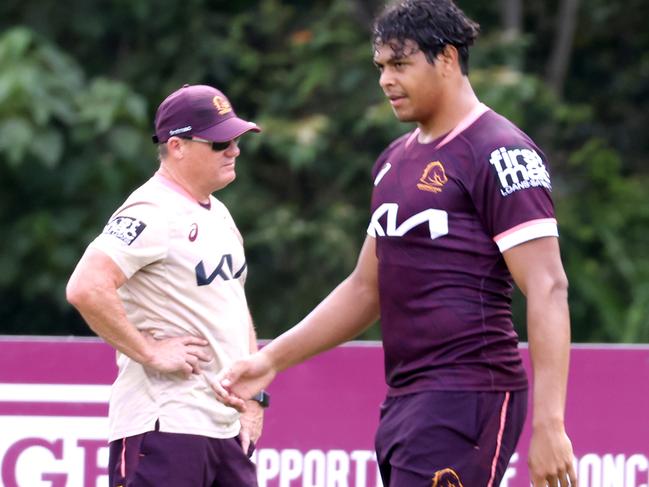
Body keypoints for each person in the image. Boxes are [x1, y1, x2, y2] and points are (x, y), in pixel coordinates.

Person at [213, 1, 577, 486]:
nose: (386, 80)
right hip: (407, 401)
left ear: (446, 58)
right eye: (381, 66)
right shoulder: (392, 161)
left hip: (469, 396)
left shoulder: (500, 151)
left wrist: (550, 425)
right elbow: (367, 288)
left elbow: (549, 286)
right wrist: (269, 359)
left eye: (400, 64)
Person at [66, 83, 268, 486]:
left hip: (223, 428)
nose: (234, 150)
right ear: (176, 146)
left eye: (236, 139)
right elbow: (86, 286)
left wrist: (253, 397)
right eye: (219, 142)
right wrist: (150, 351)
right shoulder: (151, 209)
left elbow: (233, 301)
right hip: (165, 424)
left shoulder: (220, 215)